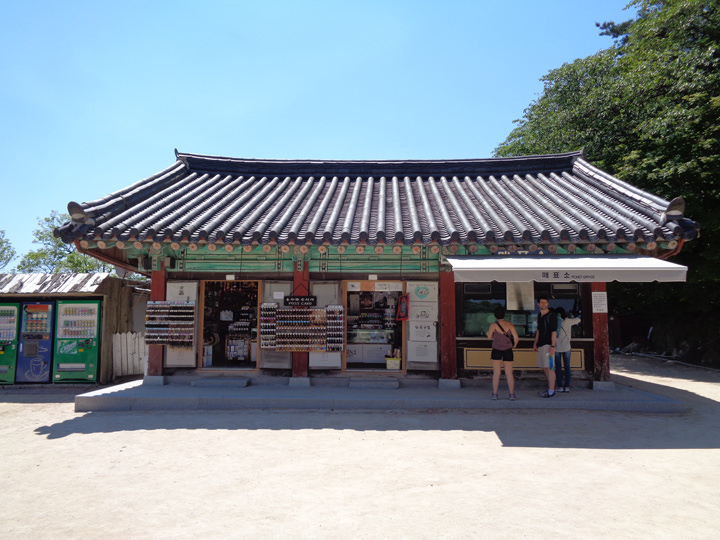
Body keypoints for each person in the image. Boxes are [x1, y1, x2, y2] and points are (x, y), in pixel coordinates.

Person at [487, 305, 519, 400]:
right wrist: (514, 346)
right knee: (509, 373)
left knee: (496, 373)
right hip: (508, 350)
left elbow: (489, 337)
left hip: (496, 350)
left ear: (495, 315)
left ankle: (495, 394)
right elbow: (516, 338)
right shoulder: (510, 325)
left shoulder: (493, 325)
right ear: (504, 314)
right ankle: (511, 394)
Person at [533, 295, 557, 397]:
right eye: (542, 302)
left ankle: (551, 391)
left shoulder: (552, 315)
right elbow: (538, 330)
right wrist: (535, 343)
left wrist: (553, 346)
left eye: (545, 302)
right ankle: (549, 388)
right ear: (538, 304)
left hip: (549, 345)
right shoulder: (539, 315)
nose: (544, 304)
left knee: (550, 367)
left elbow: (554, 332)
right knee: (545, 367)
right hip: (541, 344)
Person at [554, 308, 581, 392]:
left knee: (558, 367)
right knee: (567, 367)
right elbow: (579, 319)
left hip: (556, 348)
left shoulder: (554, 322)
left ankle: (559, 386)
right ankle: (567, 386)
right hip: (566, 347)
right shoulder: (568, 321)